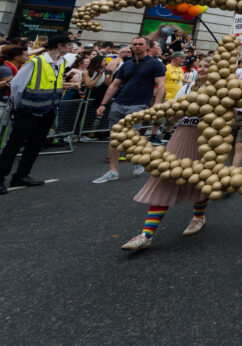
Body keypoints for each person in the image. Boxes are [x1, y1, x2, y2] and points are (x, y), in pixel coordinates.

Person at [119, 59, 213, 251]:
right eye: (201, 66)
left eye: (207, 66)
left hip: (207, 139)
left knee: (201, 181)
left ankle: (198, 217)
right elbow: (171, 117)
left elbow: (230, 115)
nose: (202, 69)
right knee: (164, 177)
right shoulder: (186, 89)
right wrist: (178, 111)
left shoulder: (224, 89)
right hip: (182, 134)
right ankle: (146, 234)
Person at [0, 34, 74, 194]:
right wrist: (19, 106)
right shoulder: (36, 62)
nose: (71, 49)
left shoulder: (62, 62)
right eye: (69, 45)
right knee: (14, 145)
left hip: (48, 110)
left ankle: (22, 175)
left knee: (35, 144)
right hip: (28, 110)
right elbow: (17, 86)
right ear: (60, 45)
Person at [92, 37, 166, 183]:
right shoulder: (127, 64)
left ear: (147, 47)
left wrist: (156, 105)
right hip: (119, 103)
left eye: (140, 44)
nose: (137, 47)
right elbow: (114, 85)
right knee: (114, 138)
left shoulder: (155, 64)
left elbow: (161, 85)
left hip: (138, 105)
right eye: (134, 44)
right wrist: (103, 104)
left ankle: (138, 160)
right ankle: (113, 171)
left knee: (131, 135)